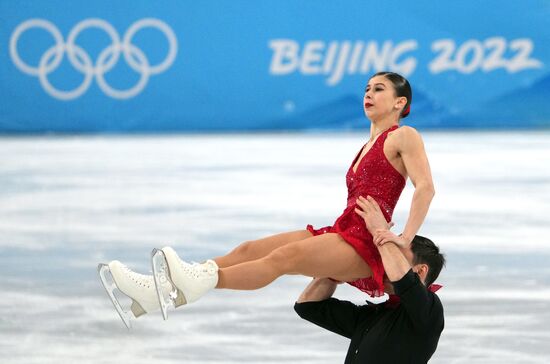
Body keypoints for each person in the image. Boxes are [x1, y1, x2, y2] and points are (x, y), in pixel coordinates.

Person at [98, 71, 436, 327]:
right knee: (248, 250)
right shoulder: (368, 144)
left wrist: (403, 238)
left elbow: (425, 188)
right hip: (343, 229)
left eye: (379, 89)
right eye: (366, 88)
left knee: (283, 258)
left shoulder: (404, 136)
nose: (369, 94)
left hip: (365, 245)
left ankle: (186, 286)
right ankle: (158, 290)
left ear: (399, 103)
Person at [294, 196, 445, 363]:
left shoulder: (430, 311)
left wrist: (379, 232)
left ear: (421, 271)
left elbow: (405, 282)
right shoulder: (373, 316)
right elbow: (308, 306)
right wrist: (335, 269)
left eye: (395, 253)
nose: (383, 262)